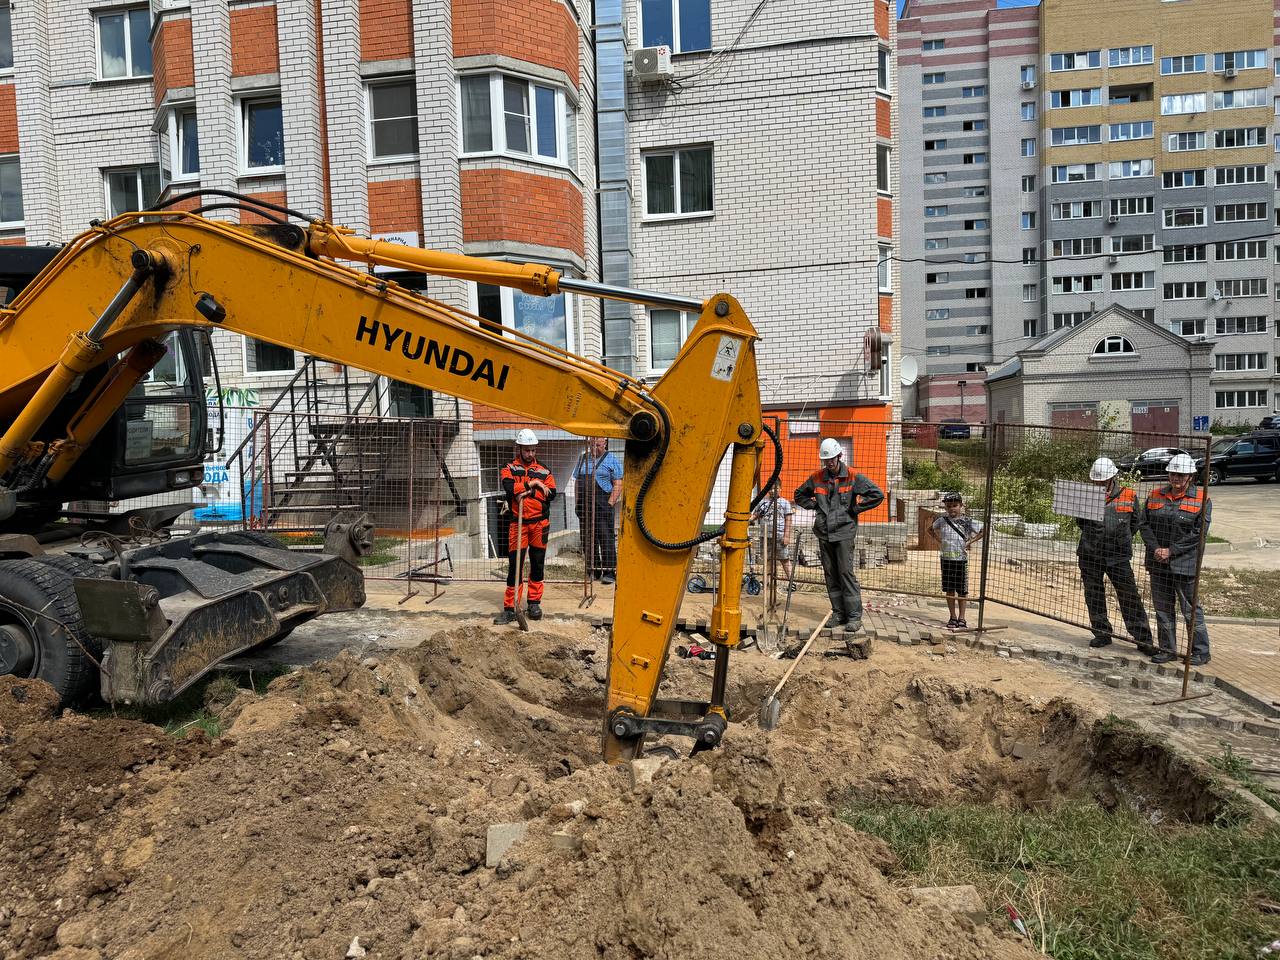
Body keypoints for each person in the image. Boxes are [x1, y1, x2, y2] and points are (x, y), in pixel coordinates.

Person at [793, 438, 884, 628]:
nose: (829, 463)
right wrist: (815, 505)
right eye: (826, 460)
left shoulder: (852, 476)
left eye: (832, 459)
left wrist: (856, 510)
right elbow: (799, 495)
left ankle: (853, 617)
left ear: (839, 456)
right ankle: (838, 613)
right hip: (824, 532)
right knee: (830, 573)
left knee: (845, 572)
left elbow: (877, 494)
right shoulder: (817, 477)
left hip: (844, 531)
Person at [1076, 457, 1156, 652]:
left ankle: (1143, 638)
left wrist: (1119, 538)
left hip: (1118, 556)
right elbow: (1080, 522)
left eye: (1102, 480)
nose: (1099, 483)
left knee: (1129, 596)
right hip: (1090, 554)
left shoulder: (1128, 495)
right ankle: (1102, 633)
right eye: (1096, 480)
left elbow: (1135, 522)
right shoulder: (1086, 495)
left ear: (1112, 477)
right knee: (1094, 594)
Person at [1139, 452, 1212, 665]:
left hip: (1185, 564)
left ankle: (1200, 652)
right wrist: (1156, 549)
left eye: (1181, 475)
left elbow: (1199, 533)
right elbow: (1144, 525)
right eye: (1173, 474)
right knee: (1162, 608)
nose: (1176, 479)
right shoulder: (1155, 495)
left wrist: (1171, 550)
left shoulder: (1202, 499)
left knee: (1190, 610)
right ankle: (1167, 649)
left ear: (1190, 476)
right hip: (1158, 562)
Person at [494, 429, 557, 625]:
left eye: (533, 450)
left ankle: (534, 603)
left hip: (539, 524)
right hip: (517, 524)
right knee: (515, 566)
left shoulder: (545, 470)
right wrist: (535, 484)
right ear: (519, 448)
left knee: (537, 564)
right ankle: (510, 607)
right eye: (527, 450)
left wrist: (528, 490)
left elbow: (552, 494)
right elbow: (510, 489)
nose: (530, 454)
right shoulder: (509, 467)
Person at [926, 491, 984, 629]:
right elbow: (930, 530)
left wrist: (970, 542)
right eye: (949, 506)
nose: (952, 508)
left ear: (961, 506)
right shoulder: (942, 521)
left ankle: (962, 618)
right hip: (946, 559)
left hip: (961, 560)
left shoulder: (967, 521)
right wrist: (939, 540)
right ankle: (952, 617)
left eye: (955, 505)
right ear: (945, 507)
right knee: (949, 589)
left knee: (962, 590)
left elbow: (983, 530)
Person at [573, 437, 623, 584]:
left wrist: (610, 504)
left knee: (605, 538)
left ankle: (609, 572)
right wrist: (577, 503)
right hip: (584, 505)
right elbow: (577, 482)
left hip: (603, 505)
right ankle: (592, 570)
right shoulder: (583, 458)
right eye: (592, 445)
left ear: (605, 443)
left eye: (598, 445)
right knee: (587, 539)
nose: (595, 449)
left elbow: (618, 484)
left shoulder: (612, 459)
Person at [751, 482, 794, 583]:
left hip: (779, 535)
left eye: (775, 488)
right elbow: (755, 515)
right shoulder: (763, 502)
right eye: (770, 489)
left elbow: (788, 520)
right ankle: (766, 581)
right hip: (765, 535)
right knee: (767, 559)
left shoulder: (785, 503)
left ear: (780, 489)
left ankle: (792, 581)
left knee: (784, 558)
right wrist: (747, 519)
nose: (772, 491)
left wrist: (786, 535)